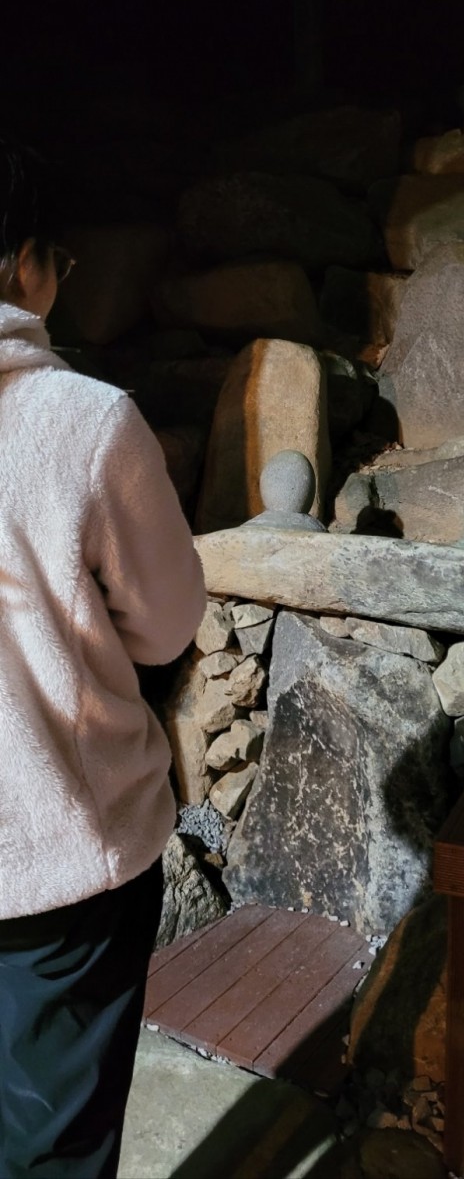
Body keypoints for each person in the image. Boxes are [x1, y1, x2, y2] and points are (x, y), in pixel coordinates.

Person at [0, 140, 207, 1177]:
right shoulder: (85, 423)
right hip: (55, 863)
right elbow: (167, 623)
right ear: (24, 261)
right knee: (52, 1150)